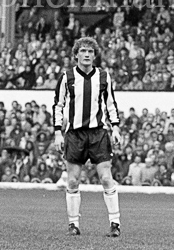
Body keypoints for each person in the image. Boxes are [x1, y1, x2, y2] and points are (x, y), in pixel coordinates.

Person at [52, 37, 123, 237]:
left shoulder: (103, 76)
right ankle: (73, 225)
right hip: (74, 134)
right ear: (76, 54)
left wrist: (116, 128)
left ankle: (115, 223)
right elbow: (58, 105)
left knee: (106, 177)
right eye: (83, 51)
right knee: (73, 181)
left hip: (98, 133)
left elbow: (111, 104)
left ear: (94, 55)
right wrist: (58, 132)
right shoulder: (67, 77)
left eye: (90, 52)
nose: (86, 55)